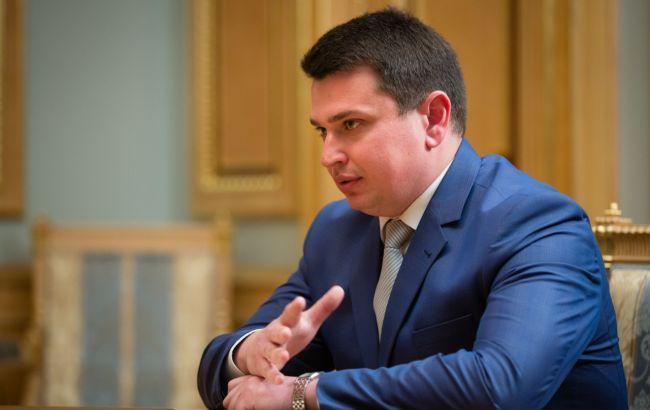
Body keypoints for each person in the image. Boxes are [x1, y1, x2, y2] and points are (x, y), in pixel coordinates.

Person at [198, 8, 627, 409]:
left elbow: (499, 386)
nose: (329, 155)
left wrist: (306, 392)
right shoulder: (335, 231)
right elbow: (220, 365)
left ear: (434, 118)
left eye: (351, 124)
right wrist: (249, 352)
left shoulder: (539, 225)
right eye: (322, 132)